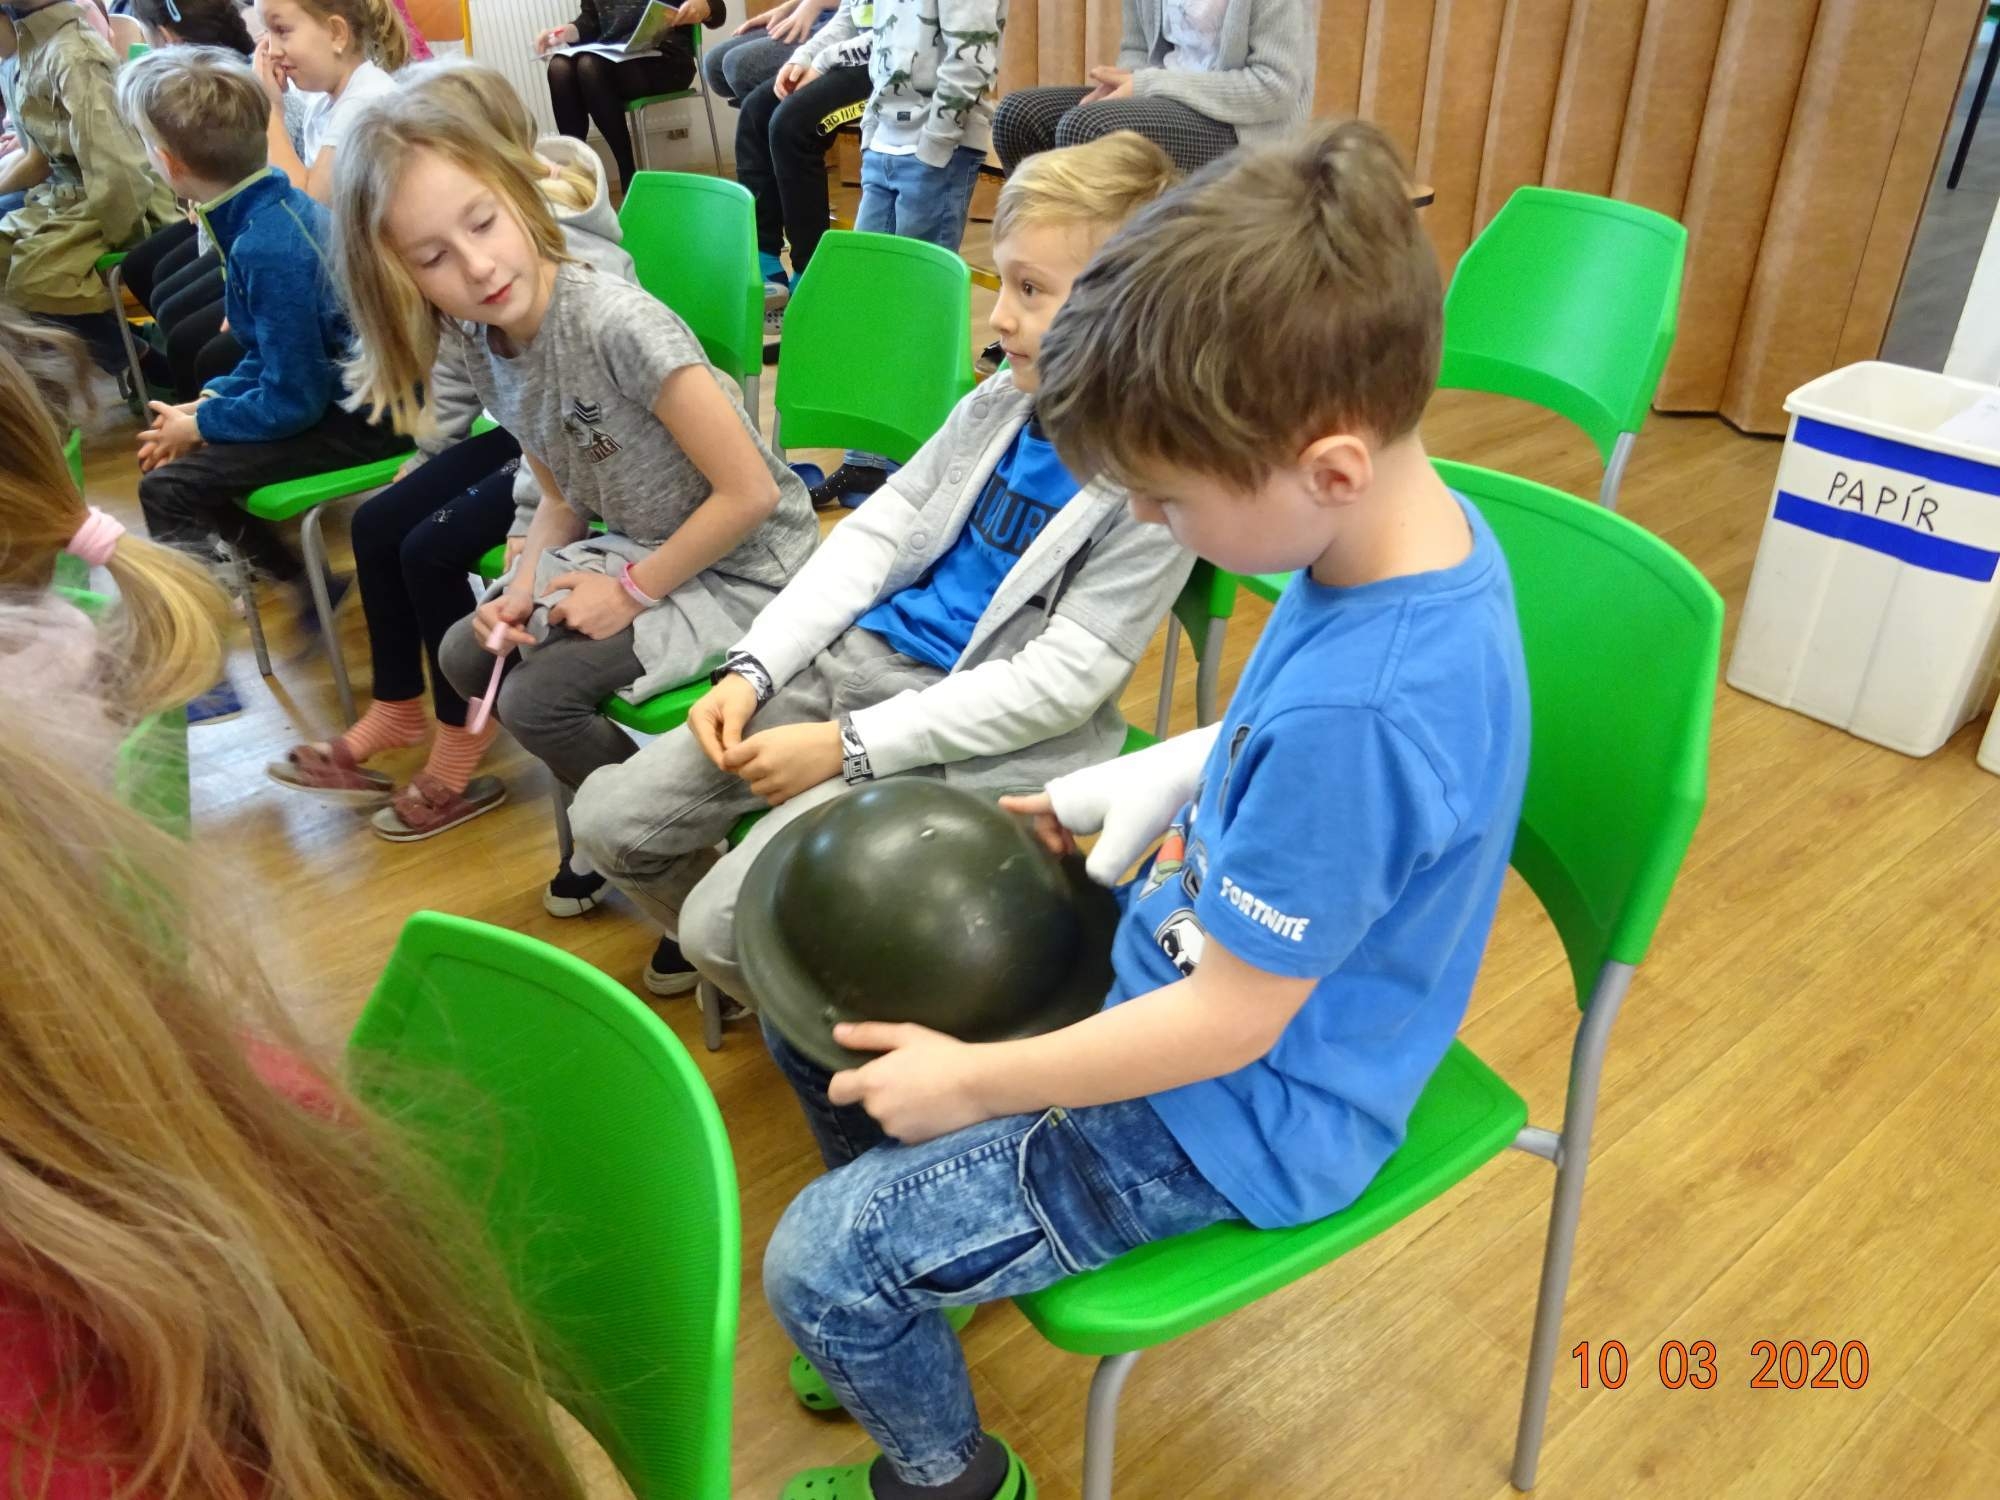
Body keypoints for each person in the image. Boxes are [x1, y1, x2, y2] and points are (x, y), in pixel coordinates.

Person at [756, 121, 1532, 1500]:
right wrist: (1165, 768)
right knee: (818, 988)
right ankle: (934, 1253)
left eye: (1167, 501)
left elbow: (1232, 1020)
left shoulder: (1367, 711)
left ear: (1329, 467)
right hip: (1178, 961)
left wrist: (973, 1084)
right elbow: (1297, 741)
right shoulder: (1392, 537)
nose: (1157, 529)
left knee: (820, 1264)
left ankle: (945, 1476)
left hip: (1242, 1115)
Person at [0, 313, 594, 1500]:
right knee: (394, 529)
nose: (454, 272)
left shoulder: (593, 318)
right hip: (500, 469)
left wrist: (215, 417)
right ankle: (401, 711)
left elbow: (546, 449)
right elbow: (473, 419)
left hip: (598, 523)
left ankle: (442, 741)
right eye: (423, 258)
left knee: (401, 544)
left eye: (472, 236)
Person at [570, 131, 1185, 1003]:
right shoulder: (1002, 402)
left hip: (972, 741)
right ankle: (796, 977)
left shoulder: (1157, 480)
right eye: (1006, 282)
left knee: (721, 930)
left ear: (1132, 310)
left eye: (1031, 290)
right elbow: (874, 535)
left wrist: (848, 750)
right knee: (606, 823)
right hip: (850, 670)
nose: (999, 318)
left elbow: (1060, 685)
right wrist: (753, 670)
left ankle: (836, 1005)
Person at [335, 85, 817, 914]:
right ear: (399, 278)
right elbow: (558, 494)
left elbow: (750, 494)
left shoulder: (615, 324)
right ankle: (638, 828)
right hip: (650, 548)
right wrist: (521, 585)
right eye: (433, 257)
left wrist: (629, 592)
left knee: (536, 698)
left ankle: (670, 859)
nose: (477, 266)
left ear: (519, 193)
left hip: (748, 567)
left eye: (482, 223)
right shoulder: (483, 338)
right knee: (464, 654)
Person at [269, 60, 642, 844]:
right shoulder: (462, 255)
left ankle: (460, 743)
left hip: (585, 447)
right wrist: (430, 454)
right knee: (378, 524)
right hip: (528, 432)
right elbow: (464, 365)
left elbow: (584, 432)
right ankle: (397, 708)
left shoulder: (570, 263)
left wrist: (532, 531)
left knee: (430, 549)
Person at [120, 45, 404, 716]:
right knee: (184, 467)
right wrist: (209, 404)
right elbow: (267, 353)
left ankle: (201, 674)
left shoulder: (267, 243)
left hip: (367, 419)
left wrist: (203, 424)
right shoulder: (258, 214)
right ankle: (307, 585)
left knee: (168, 487)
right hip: (334, 397)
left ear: (170, 163)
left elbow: (294, 398)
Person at [802, 0, 1005, 509]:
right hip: (883, 147)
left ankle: (912, 463)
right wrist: (869, 133)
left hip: (937, 151)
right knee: (872, 300)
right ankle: (868, 460)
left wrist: (935, 144)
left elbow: (972, 57)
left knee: (917, 307)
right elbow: (884, 42)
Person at [0, 0, 175, 371]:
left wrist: (125, 238)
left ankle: (146, 363)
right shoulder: (35, 46)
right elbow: (40, 157)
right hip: (72, 198)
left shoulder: (74, 54)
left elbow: (120, 172)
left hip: (118, 203)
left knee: (35, 280)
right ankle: (128, 345)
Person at [993, 0, 1315, 176]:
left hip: (1245, 126)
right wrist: (1117, 89)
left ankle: (1104, 272)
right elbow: (1137, 49)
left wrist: (1146, 84)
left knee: (1088, 129)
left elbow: (1274, 88)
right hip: (1164, 96)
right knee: (1018, 116)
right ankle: (1045, 261)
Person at [118, 0, 258, 402]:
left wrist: (205, 420)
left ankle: (192, 406)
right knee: (156, 283)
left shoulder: (244, 90)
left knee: (191, 340)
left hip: (245, 231)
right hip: (234, 223)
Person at [739, 0, 872, 325]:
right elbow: (848, 17)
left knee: (792, 126)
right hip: (852, 54)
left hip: (896, 68)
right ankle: (765, 258)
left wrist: (822, 63)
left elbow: (895, 37)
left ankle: (810, 275)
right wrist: (803, 57)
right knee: (757, 110)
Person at [534, 0, 730, 192]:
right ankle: (573, 176)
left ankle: (628, 173)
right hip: (613, 58)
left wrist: (703, 6)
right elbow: (590, 21)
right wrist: (564, 33)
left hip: (667, 57)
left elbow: (718, 10)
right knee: (559, 68)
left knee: (589, 67)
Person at [253, 0, 408, 205]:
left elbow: (307, 209)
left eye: (281, 30)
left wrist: (271, 109)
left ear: (336, 33)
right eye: (267, 32)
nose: (272, 51)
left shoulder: (366, 104)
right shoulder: (321, 105)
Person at [702, 0, 832, 104]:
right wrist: (787, 9)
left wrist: (813, 4)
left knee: (738, 65)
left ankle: (785, 122)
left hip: (840, 24)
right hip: (821, 11)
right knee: (714, 65)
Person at [0, 13, 54, 220]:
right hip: (40, 179)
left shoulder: (35, 64)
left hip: (59, 190)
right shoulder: (8, 61)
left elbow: (40, 165)